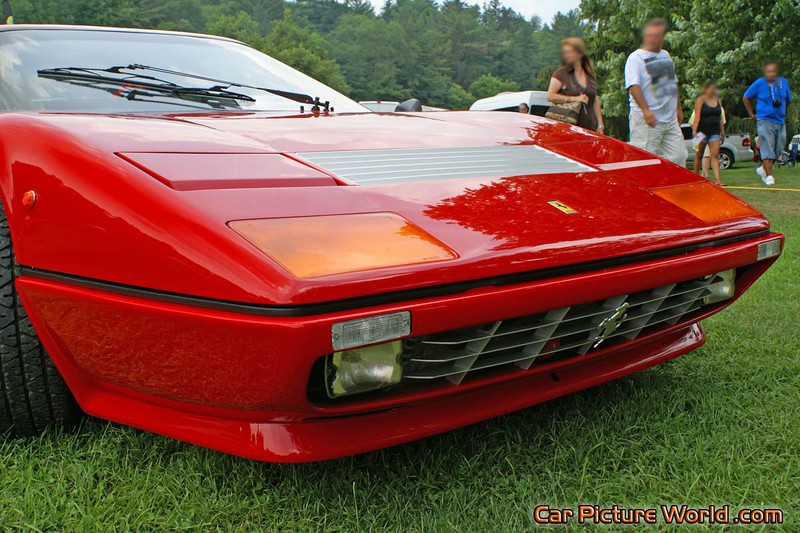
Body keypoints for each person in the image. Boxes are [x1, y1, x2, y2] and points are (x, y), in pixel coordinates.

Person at [624, 18, 686, 164]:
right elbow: (634, 87)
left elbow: (671, 83)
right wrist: (646, 111)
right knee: (644, 161)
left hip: (669, 118)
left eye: (657, 35)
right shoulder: (636, 58)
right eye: (650, 35)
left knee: (679, 157)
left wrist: (678, 108)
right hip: (646, 120)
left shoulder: (665, 56)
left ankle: (668, 179)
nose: (653, 38)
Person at [744, 61, 792, 185]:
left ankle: (763, 169)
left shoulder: (783, 82)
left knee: (779, 148)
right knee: (767, 147)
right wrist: (751, 114)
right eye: (769, 72)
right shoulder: (760, 83)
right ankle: (769, 176)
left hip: (779, 120)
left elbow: (788, 100)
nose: (771, 74)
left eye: (773, 71)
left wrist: (782, 111)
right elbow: (746, 97)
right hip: (764, 119)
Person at [547, 37, 604, 132]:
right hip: (566, 129)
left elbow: (594, 99)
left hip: (589, 128)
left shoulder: (589, 75)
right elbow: (550, 96)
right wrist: (575, 98)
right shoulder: (562, 73)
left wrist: (600, 125)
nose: (567, 55)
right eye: (565, 52)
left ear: (580, 53)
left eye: (570, 52)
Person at [691, 81, 725, 185]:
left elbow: (720, 118)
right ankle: (695, 177)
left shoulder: (718, 100)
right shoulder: (700, 100)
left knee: (715, 154)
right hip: (702, 132)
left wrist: (723, 132)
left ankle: (718, 180)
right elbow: (697, 117)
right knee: (699, 155)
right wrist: (694, 131)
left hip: (714, 131)